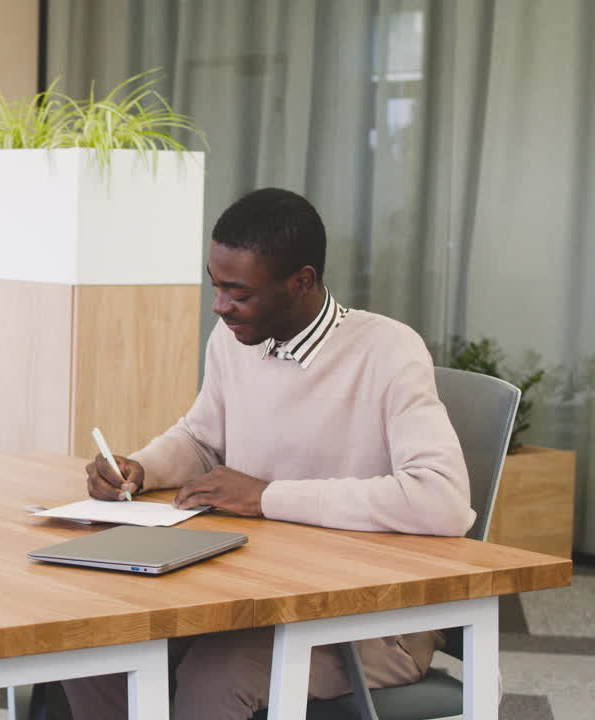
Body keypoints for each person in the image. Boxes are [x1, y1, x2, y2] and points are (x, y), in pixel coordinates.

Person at [66, 188, 474, 720]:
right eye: (216, 287)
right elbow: (202, 439)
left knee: (216, 675)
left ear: (301, 281)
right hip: (252, 591)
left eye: (238, 292)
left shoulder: (389, 352)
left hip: (368, 617)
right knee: (97, 646)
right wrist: (141, 467)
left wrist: (268, 497)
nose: (220, 306)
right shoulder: (233, 339)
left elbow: (440, 499)